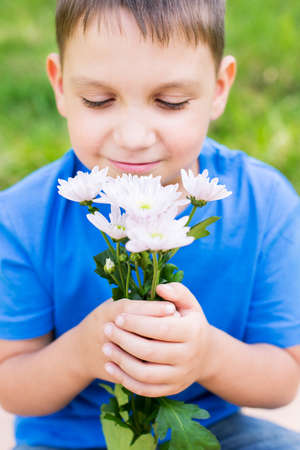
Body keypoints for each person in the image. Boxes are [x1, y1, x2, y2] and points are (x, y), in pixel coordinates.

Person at [0, 1, 300, 449]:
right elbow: (12, 384)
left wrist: (208, 356)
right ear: (60, 85)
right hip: (68, 440)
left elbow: (282, 383)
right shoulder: (22, 217)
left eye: (170, 102)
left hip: (214, 432)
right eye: (98, 101)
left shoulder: (265, 203)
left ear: (219, 88)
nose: (134, 137)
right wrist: (83, 353)